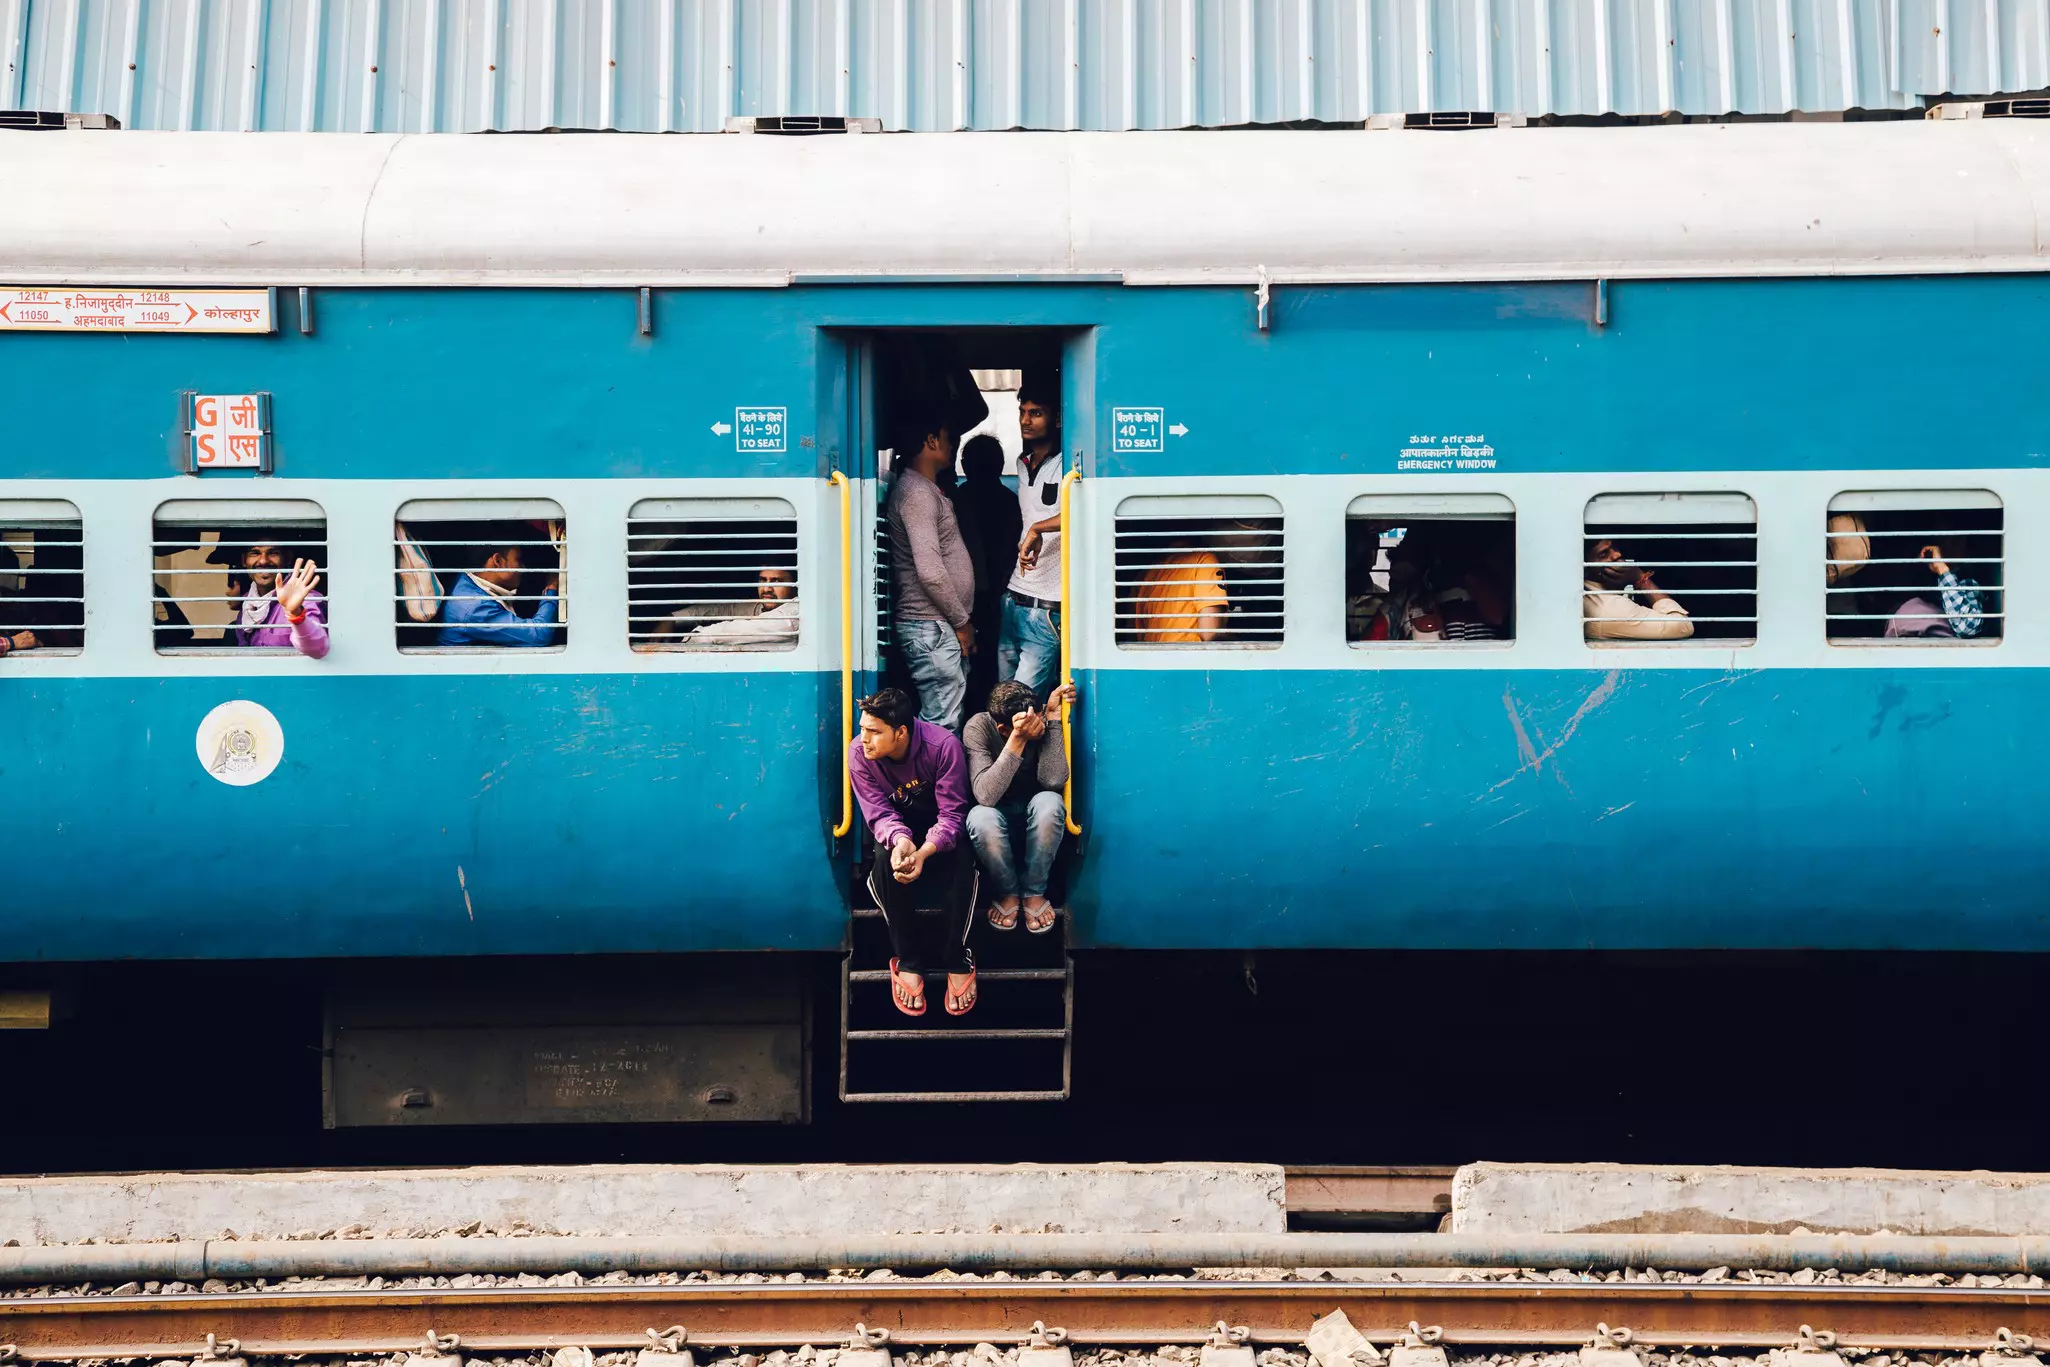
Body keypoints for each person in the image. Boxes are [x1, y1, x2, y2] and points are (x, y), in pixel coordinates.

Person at [847, 687, 977, 1018]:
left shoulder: (943, 746)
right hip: (899, 831)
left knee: (963, 859)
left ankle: (956, 956)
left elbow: (952, 815)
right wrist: (901, 841)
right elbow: (877, 812)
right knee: (882, 860)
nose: (864, 739)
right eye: (863, 729)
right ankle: (907, 959)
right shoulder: (858, 754)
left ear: (901, 732)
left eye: (874, 732)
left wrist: (925, 852)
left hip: (941, 831)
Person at [886, 415, 977, 730]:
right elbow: (931, 572)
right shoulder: (918, 494)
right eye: (948, 438)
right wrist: (962, 622)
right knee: (942, 723)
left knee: (945, 716)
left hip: (934, 626)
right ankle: (933, 781)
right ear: (931, 441)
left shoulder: (923, 490)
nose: (953, 446)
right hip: (930, 626)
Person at [965, 679, 1075, 935]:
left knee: (1050, 802)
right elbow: (986, 795)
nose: (1039, 725)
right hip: (999, 812)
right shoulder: (979, 726)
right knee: (980, 818)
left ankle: (1034, 891)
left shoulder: (1044, 719)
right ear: (1003, 729)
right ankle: (1008, 892)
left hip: (1035, 812)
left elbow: (1054, 780)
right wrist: (1018, 738)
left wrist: (1053, 720)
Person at [998, 379, 1066, 695]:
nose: (1025, 420)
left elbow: (1085, 512)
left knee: (1017, 706)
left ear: (1057, 419)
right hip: (1013, 600)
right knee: (1004, 701)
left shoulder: (1070, 465)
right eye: (1023, 412)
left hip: (1047, 608)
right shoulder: (1022, 464)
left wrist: (1039, 529)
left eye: (1036, 413)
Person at [952, 434, 1021, 713]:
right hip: (1003, 594)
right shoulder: (1010, 501)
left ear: (964, 465)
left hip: (962, 599)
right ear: (1000, 464)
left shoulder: (957, 499)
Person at [436, 532, 564, 647]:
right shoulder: (475, 608)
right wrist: (552, 586)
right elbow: (539, 634)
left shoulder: (465, 580)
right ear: (498, 561)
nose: (523, 568)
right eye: (518, 560)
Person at [230, 535, 329, 658]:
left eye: (273, 553)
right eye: (255, 553)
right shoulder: (248, 605)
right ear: (244, 561)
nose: (263, 561)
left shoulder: (304, 600)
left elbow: (317, 648)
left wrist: (296, 614)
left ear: (287, 558)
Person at [1583, 538, 1693, 642]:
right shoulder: (1610, 608)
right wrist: (1640, 577)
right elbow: (1682, 626)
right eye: (1604, 554)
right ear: (1586, 568)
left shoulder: (1592, 595)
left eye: (1615, 547)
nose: (1618, 554)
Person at [1884, 543, 1985, 639]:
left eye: (1955, 541)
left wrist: (1942, 570)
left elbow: (1967, 627)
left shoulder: (1967, 583)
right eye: (1943, 540)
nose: (1948, 546)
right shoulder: (1919, 580)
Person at [1132, 549, 1228, 643]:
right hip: (1190, 656)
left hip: (1152, 656)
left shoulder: (1148, 573)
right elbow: (1210, 632)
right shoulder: (1204, 561)